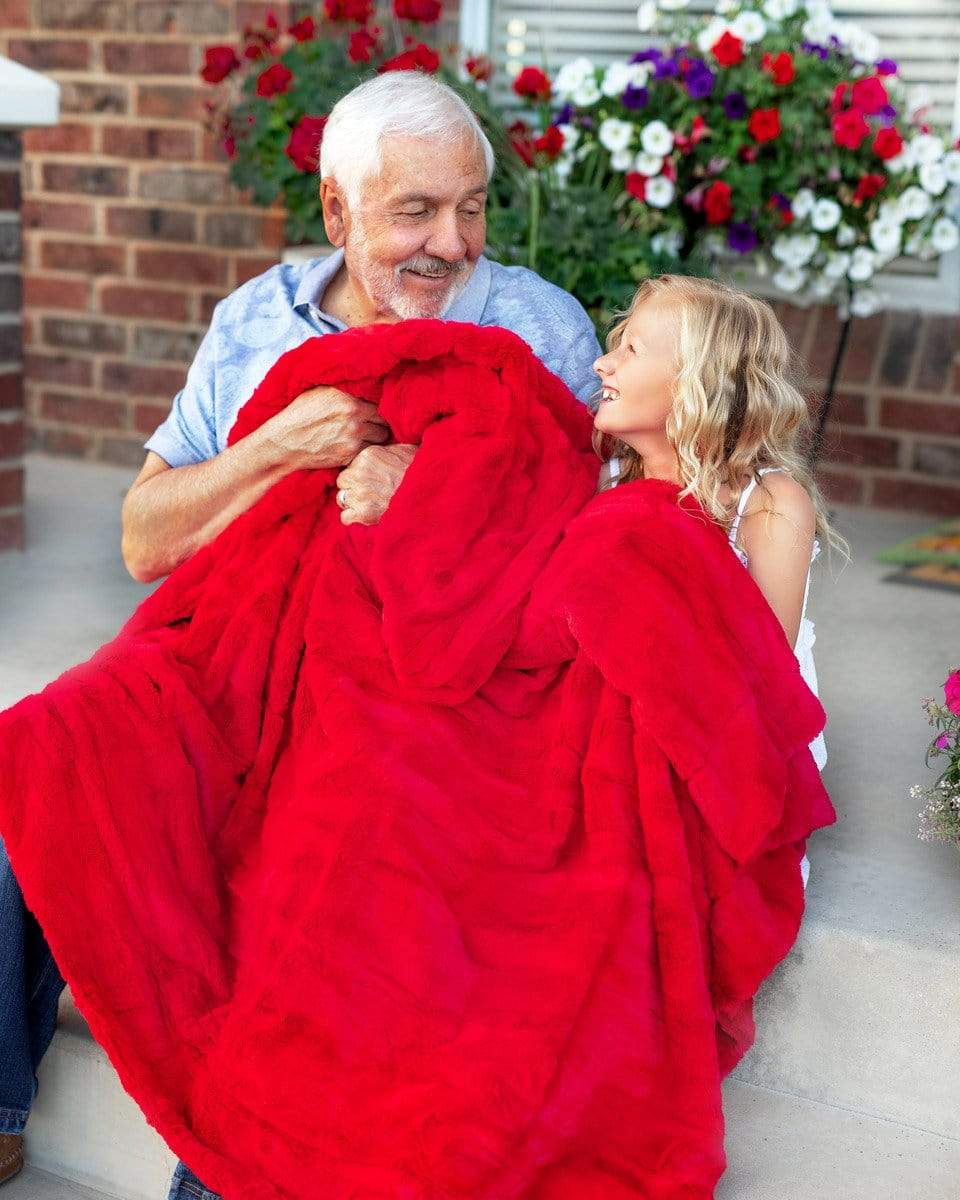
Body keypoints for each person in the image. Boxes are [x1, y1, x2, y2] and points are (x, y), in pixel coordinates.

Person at [0, 70, 601, 1188]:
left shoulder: (537, 326)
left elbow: (582, 567)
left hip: (407, 692)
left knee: (316, 886)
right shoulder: (257, 320)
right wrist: (281, 446)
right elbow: (145, 538)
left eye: (469, 207)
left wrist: (427, 495)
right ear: (337, 212)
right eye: (414, 212)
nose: (451, 242)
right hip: (223, 655)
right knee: (39, 745)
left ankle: (230, 1156)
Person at [592, 272, 840, 876]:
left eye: (632, 350)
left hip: (726, 720)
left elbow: (764, 671)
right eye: (615, 342)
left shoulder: (769, 502)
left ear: (695, 387)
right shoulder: (610, 482)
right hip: (624, 706)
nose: (603, 363)